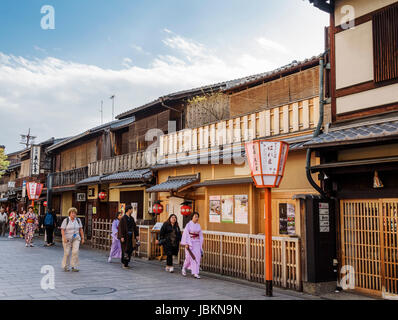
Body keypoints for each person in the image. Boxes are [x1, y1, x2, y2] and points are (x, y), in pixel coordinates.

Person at [181, 212, 203, 279]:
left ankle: (195, 273)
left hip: (197, 243)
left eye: (197, 217)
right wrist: (186, 243)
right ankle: (184, 268)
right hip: (190, 243)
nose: (197, 218)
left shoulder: (198, 225)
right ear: (192, 217)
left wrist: (201, 244)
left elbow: (200, 235)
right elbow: (185, 234)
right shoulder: (188, 225)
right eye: (195, 216)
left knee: (197, 257)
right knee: (188, 257)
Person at [60, 208, 84, 272]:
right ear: (69, 213)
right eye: (72, 213)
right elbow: (62, 229)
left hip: (76, 238)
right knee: (67, 253)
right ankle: (66, 266)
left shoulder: (78, 220)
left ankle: (74, 266)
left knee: (75, 252)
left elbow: (81, 229)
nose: (73, 214)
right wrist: (64, 238)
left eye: (75, 213)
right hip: (67, 238)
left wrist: (82, 238)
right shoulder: (66, 220)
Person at [117, 205, 139, 269]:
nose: (132, 211)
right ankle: (124, 263)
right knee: (125, 250)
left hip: (131, 236)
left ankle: (127, 262)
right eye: (131, 209)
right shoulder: (123, 218)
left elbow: (134, 227)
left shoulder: (132, 218)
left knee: (130, 249)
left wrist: (137, 235)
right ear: (128, 210)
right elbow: (120, 228)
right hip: (125, 237)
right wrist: (121, 236)